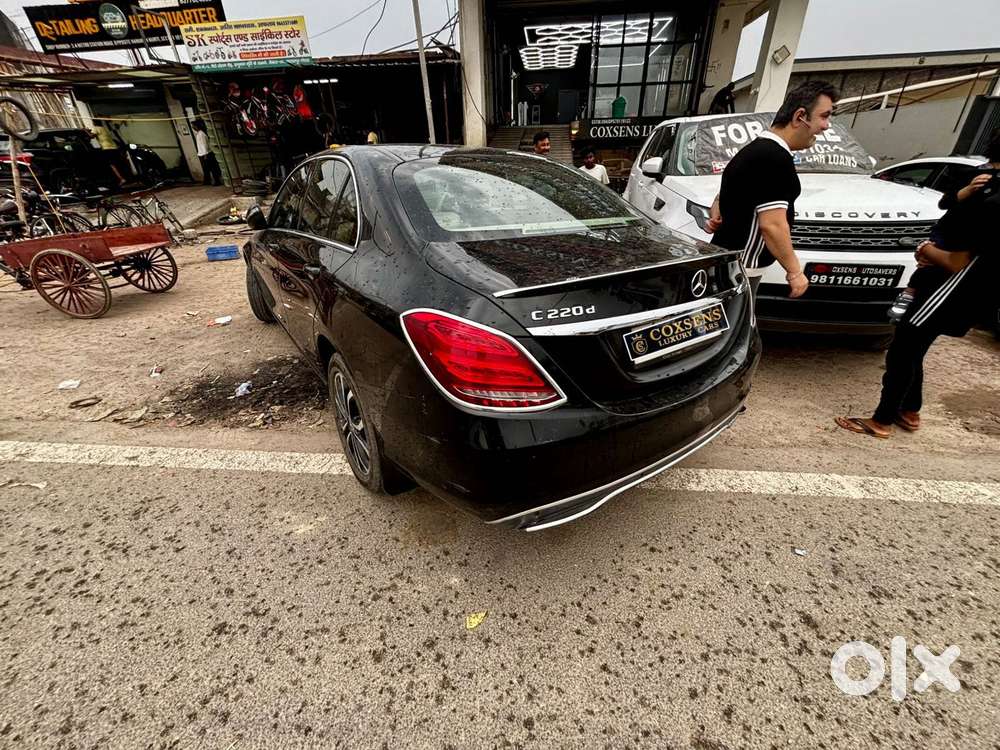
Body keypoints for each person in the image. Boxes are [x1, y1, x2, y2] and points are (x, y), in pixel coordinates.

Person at [836, 129, 999, 439]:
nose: (983, 176)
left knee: (903, 349)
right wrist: (963, 193)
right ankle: (909, 410)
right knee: (914, 348)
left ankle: (881, 421)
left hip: (948, 285)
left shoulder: (992, 201)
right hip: (937, 278)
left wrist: (926, 250)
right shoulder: (980, 183)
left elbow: (956, 261)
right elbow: (947, 204)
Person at [706, 81, 840, 299]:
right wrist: (795, 272)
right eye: (824, 116)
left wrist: (719, 207)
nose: (826, 126)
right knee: (738, 326)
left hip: (728, 263)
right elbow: (772, 224)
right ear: (800, 116)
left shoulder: (755, 150)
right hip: (741, 270)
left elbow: (733, 192)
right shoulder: (774, 157)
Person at [191, 118, 222, 186]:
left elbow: (204, 145)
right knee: (206, 169)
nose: (193, 128)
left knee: (211, 168)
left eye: (193, 126)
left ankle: (216, 181)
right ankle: (207, 181)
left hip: (206, 154)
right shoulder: (199, 133)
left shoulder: (201, 134)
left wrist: (205, 154)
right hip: (202, 154)